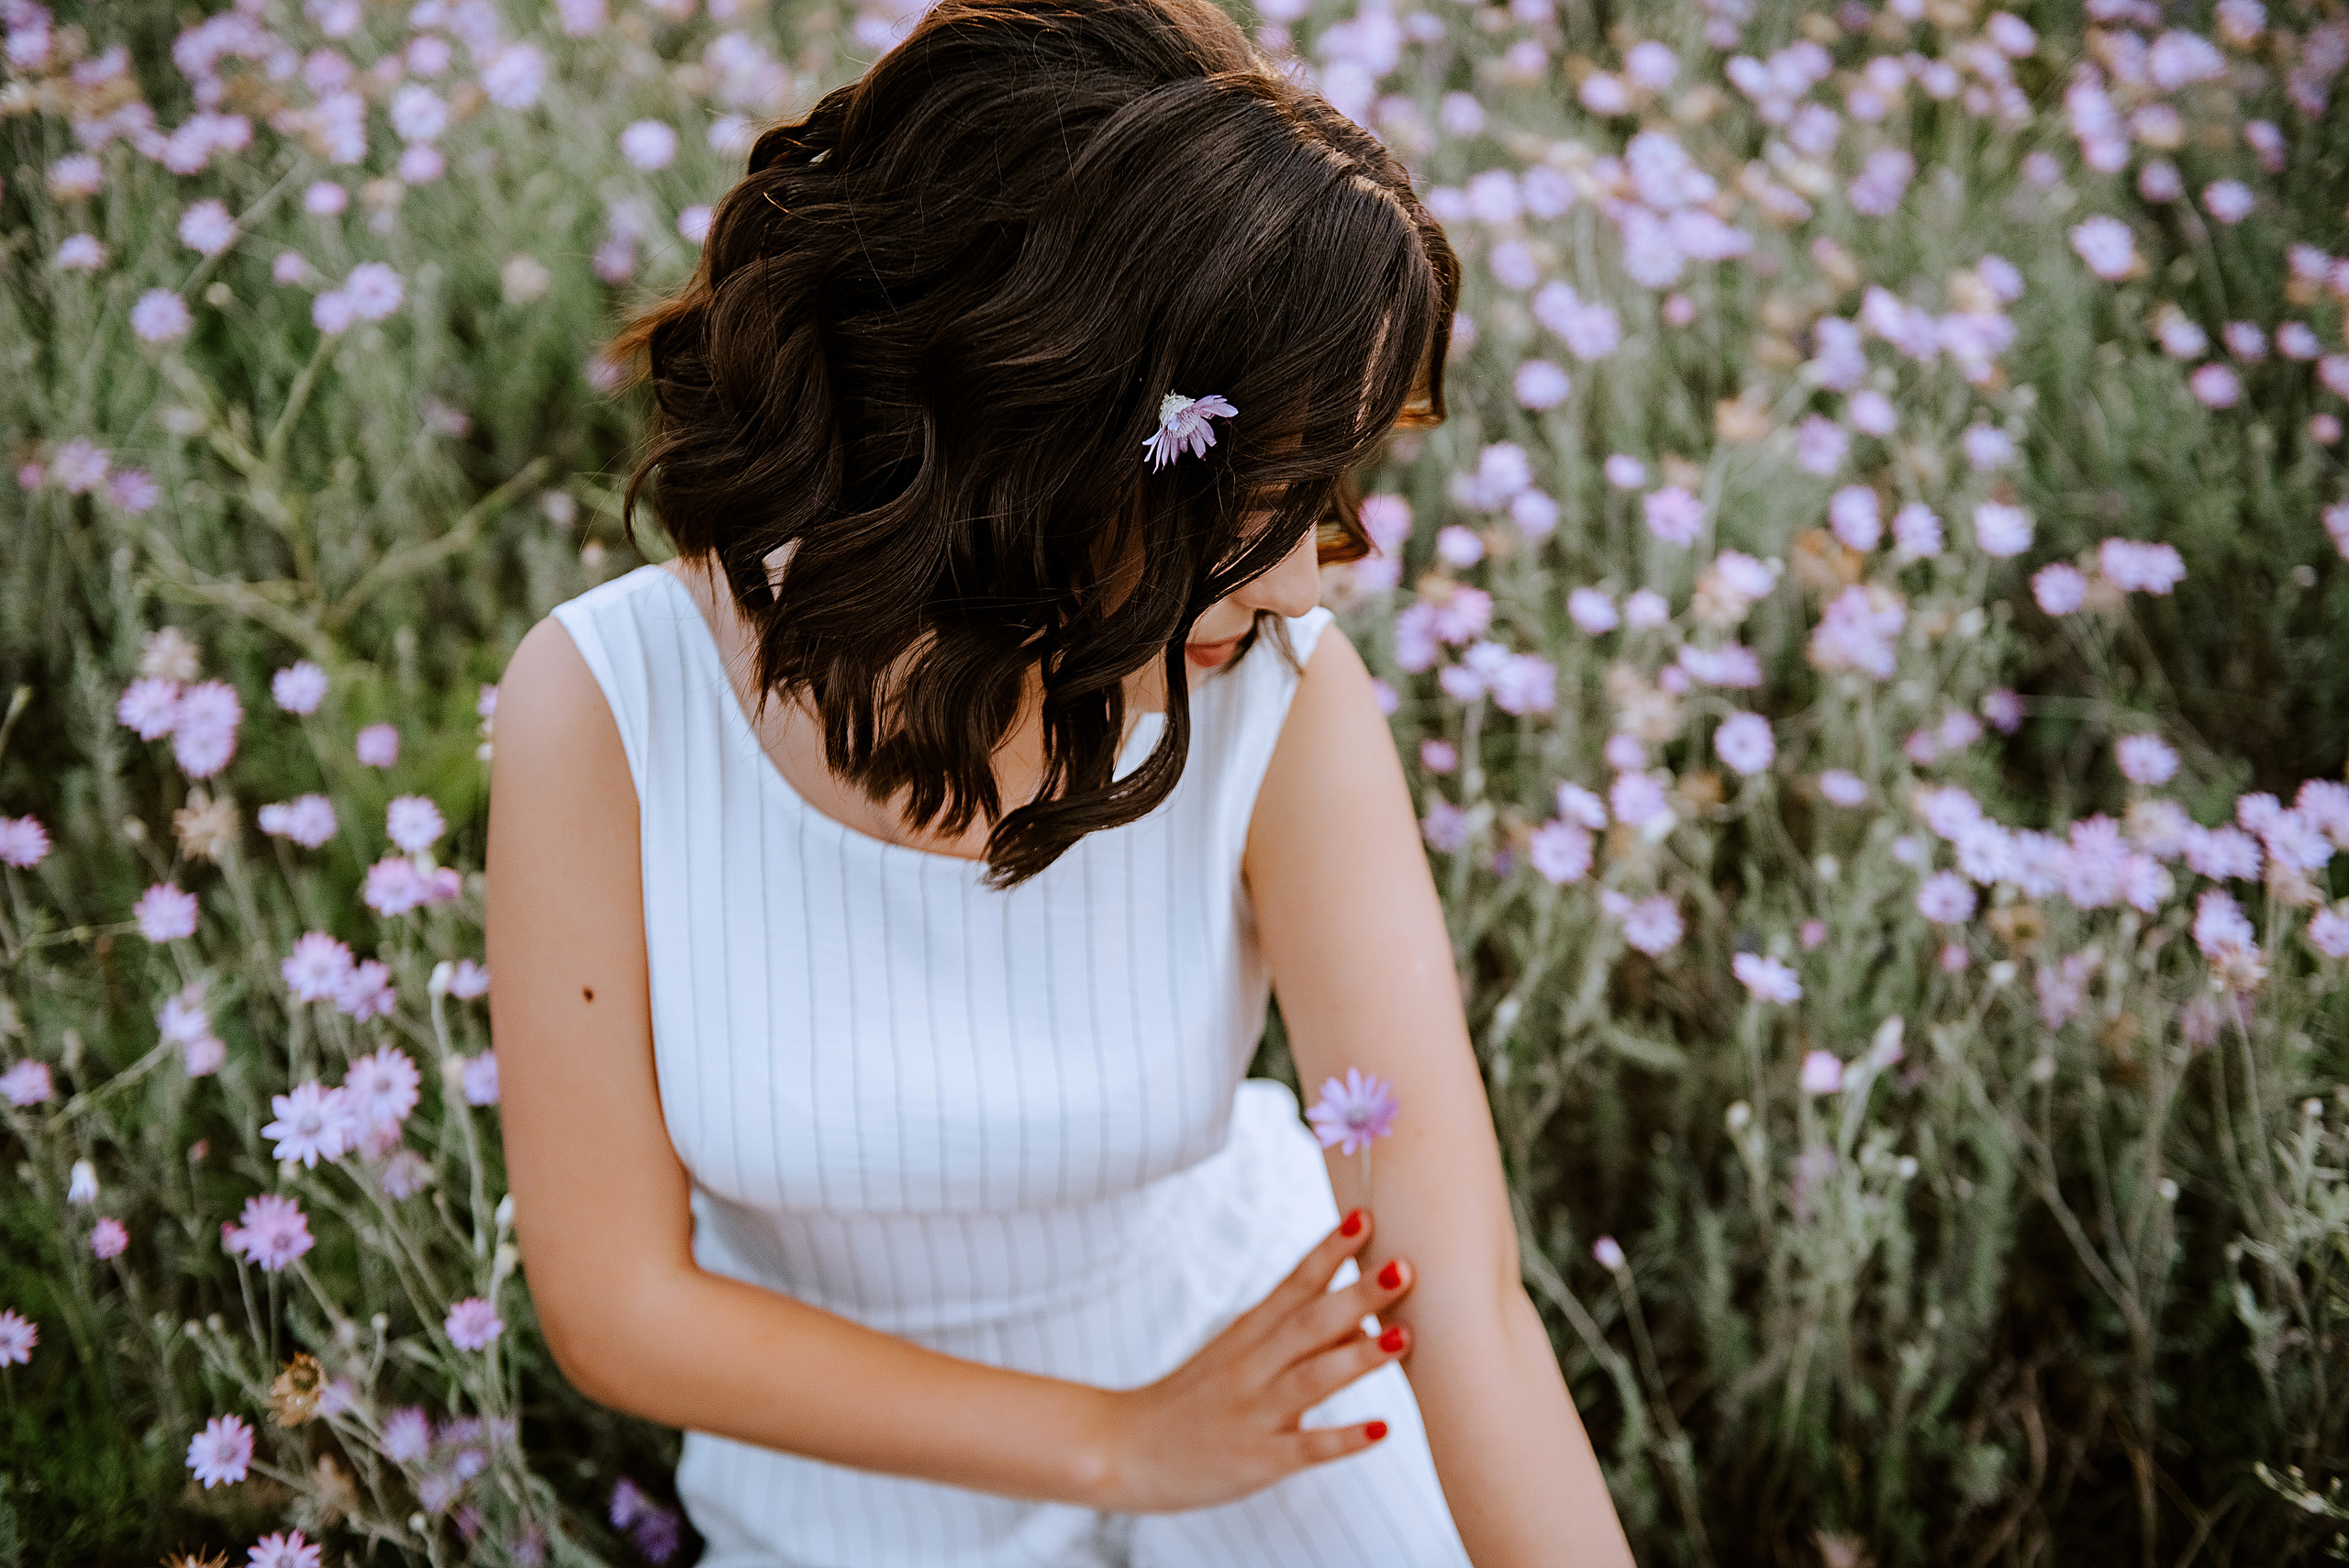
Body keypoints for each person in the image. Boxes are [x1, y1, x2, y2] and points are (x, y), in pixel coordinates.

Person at [485, 0, 1634, 1562]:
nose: (1308, 581)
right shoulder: (604, 705)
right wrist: (1118, 1441)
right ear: (1043, 442)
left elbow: (1466, 1304)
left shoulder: (1281, 703)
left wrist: (1189, 1439)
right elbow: (620, 1308)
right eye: (1269, 495)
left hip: (1265, 1393)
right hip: (849, 1483)